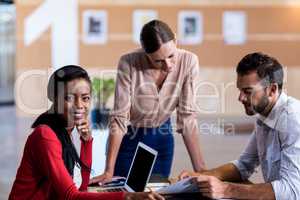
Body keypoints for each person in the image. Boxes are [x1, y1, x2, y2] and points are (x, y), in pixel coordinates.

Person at [9, 65, 164, 200]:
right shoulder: (46, 135)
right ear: (55, 99)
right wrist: (128, 196)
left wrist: (86, 141)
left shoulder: (64, 131)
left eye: (85, 98)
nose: (79, 105)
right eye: (69, 98)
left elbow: (81, 186)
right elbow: (71, 196)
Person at [90, 19, 206, 185]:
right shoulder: (128, 63)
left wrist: (201, 170)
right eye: (158, 61)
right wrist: (108, 170)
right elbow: (119, 118)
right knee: (125, 193)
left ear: (175, 40)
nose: (168, 66)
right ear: (145, 52)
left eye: (171, 56)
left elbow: (187, 118)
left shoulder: (189, 61)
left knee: (156, 193)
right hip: (131, 138)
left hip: (162, 137)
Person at [179, 52, 300, 200]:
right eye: (240, 90)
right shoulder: (263, 116)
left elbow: (292, 191)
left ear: (272, 90)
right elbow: (244, 165)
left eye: (247, 91)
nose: (240, 98)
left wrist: (225, 189)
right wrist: (201, 175)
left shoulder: (293, 119)